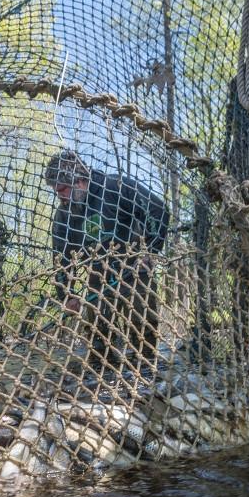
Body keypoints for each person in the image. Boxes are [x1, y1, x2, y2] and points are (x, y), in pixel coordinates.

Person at [43, 150, 169, 371]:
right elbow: (61, 259)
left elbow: (158, 212)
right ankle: (102, 376)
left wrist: (150, 252)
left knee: (142, 325)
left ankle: (145, 373)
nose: (59, 196)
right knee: (97, 334)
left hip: (133, 266)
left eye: (62, 189)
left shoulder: (116, 186)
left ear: (78, 180)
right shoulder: (63, 215)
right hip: (97, 275)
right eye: (56, 191)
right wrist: (68, 295)